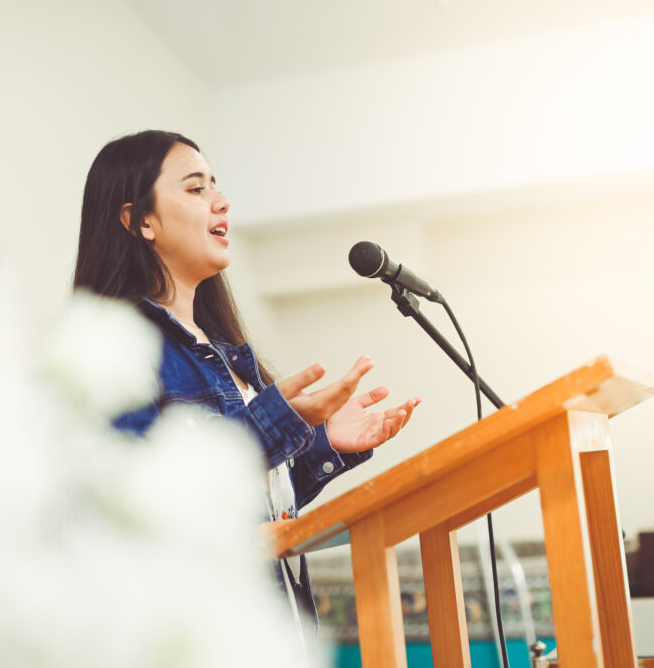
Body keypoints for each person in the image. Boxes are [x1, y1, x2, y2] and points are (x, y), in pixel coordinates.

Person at [72, 129, 420, 638]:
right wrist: (282, 421)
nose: (221, 200)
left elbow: (241, 509)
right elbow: (139, 507)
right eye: (195, 189)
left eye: (216, 184)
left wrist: (322, 444)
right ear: (139, 219)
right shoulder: (115, 348)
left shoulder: (226, 351)